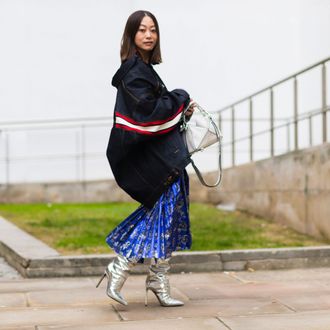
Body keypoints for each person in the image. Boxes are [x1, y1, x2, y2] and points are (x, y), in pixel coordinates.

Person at [96, 10, 195, 307]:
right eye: (142, 30)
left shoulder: (145, 69)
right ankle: (123, 266)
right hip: (154, 160)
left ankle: (156, 276)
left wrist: (180, 111)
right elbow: (147, 116)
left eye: (153, 30)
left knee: (169, 214)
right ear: (131, 35)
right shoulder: (134, 72)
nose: (149, 35)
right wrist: (180, 98)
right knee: (162, 214)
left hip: (163, 158)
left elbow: (156, 111)